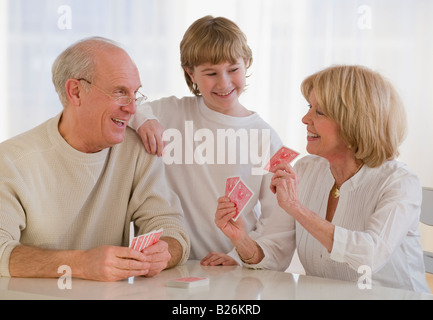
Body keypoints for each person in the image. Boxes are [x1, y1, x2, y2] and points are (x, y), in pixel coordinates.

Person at [215, 65, 430, 293]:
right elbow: (276, 249)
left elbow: (370, 255)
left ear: (353, 122)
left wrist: (297, 209)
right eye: (310, 107)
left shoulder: (400, 183)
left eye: (319, 112)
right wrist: (241, 240)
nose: (305, 118)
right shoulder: (306, 170)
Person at [0, 37, 190, 282]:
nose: (133, 109)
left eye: (135, 93)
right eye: (120, 92)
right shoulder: (12, 160)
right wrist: (80, 264)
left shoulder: (137, 151)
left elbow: (171, 228)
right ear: (76, 92)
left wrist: (165, 251)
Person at [130, 16, 295, 267]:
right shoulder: (169, 114)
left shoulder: (266, 136)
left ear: (247, 63)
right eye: (211, 73)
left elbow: (278, 223)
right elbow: (127, 106)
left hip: (235, 271)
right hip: (172, 267)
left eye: (233, 70)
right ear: (190, 73)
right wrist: (143, 120)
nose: (224, 83)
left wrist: (238, 256)